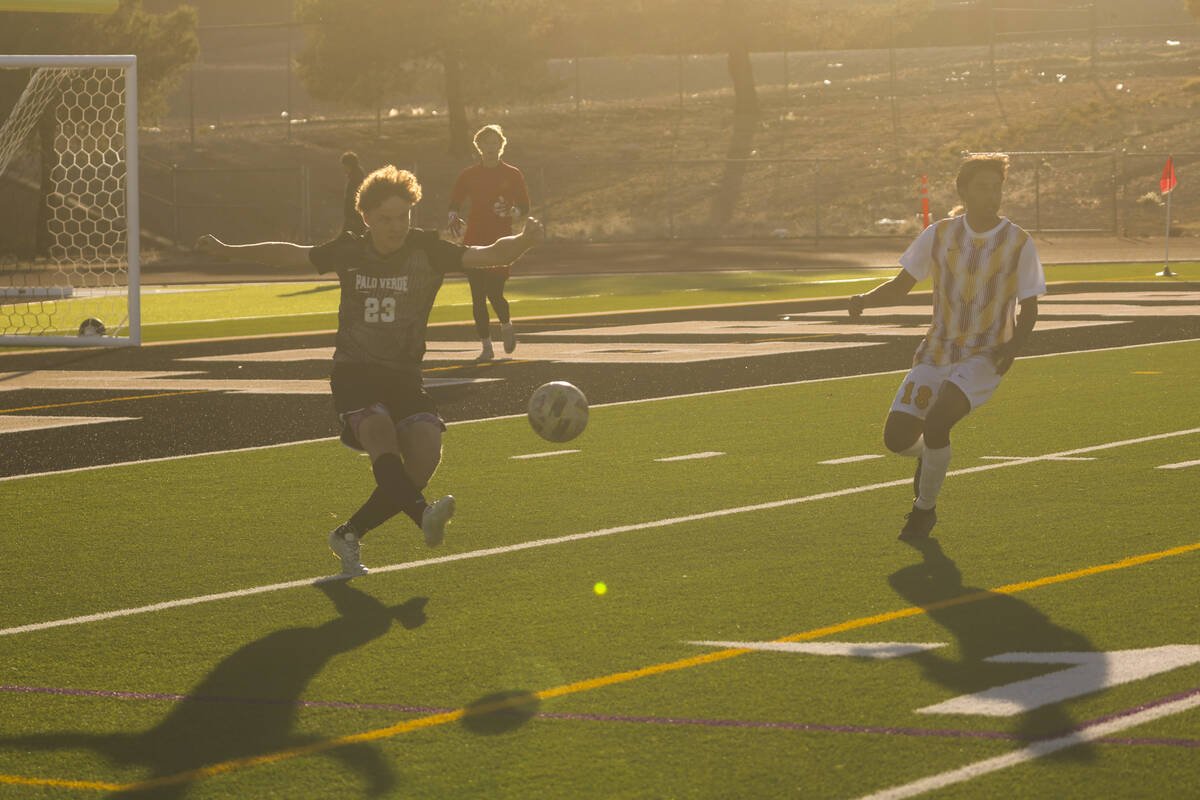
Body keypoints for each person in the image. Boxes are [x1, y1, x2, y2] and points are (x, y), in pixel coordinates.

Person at [196, 165, 543, 576]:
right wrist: (229, 249)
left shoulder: (429, 250)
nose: (396, 227)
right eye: (385, 219)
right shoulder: (349, 250)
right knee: (379, 433)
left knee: (426, 455)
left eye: (403, 217)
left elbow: (489, 254)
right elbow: (288, 252)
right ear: (367, 218)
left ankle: (349, 533)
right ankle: (422, 515)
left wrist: (523, 242)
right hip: (355, 372)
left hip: (404, 376)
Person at [848, 153, 1045, 540]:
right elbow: (903, 284)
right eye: (983, 187)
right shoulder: (939, 234)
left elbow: (1031, 305)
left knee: (938, 421)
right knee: (897, 438)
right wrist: (865, 300)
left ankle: (924, 511)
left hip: (986, 354)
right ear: (963, 191)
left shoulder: (1018, 241)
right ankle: (928, 455)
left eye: (997, 187)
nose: (993, 195)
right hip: (936, 350)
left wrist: (1015, 347)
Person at [447, 124, 531, 361]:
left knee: (495, 293)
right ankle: (486, 346)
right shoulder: (469, 174)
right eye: (486, 143)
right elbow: (455, 198)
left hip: (500, 241)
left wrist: (511, 211)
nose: (491, 147)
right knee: (477, 296)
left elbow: (525, 206)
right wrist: (452, 214)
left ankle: (506, 324)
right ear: (479, 146)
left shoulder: (512, 173)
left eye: (495, 142)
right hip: (474, 239)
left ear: (501, 145)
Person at [341, 152, 367, 235]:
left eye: (345, 166)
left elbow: (352, 199)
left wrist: (351, 217)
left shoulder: (355, 180)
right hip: (355, 217)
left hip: (354, 218)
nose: (344, 169)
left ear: (349, 165)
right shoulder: (357, 177)